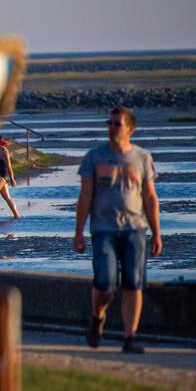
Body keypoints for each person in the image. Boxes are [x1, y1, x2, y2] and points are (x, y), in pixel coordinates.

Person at [73, 106, 162, 354]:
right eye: (109, 124)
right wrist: (79, 232)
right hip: (103, 229)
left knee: (133, 284)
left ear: (130, 129)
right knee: (105, 283)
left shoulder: (142, 158)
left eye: (117, 124)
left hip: (135, 229)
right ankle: (97, 316)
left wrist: (157, 232)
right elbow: (85, 196)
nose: (111, 128)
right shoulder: (94, 157)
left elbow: (150, 197)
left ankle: (129, 338)